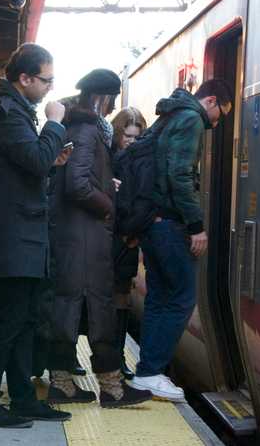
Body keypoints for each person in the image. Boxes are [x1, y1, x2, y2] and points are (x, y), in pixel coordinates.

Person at [0, 43, 73, 428]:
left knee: (26, 318)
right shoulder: (5, 112)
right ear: (25, 78)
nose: (50, 87)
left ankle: (23, 398)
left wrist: (50, 157)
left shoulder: (10, 110)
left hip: (22, 231)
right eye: (47, 79)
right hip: (12, 234)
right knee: (8, 319)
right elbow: (33, 159)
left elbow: (31, 165)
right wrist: (54, 124)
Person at [47, 69, 152, 408]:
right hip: (85, 234)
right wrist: (107, 203)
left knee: (68, 305)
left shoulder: (77, 126)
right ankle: (112, 387)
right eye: (111, 100)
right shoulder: (88, 128)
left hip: (75, 233)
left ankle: (62, 383)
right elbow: (77, 184)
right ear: (104, 97)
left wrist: (104, 186)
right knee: (100, 307)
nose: (110, 109)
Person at [130, 80, 232, 401]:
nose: (215, 124)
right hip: (172, 225)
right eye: (218, 116)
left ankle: (147, 370)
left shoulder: (169, 114)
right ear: (211, 100)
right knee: (182, 298)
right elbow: (180, 174)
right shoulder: (190, 118)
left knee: (160, 297)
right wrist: (196, 225)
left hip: (152, 222)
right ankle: (150, 372)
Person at [110, 107, 147, 380]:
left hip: (128, 239)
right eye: (127, 135)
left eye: (136, 137)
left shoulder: (139, 162)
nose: (130, 141)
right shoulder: (105, 158)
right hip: (107, 237)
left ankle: (118, 356)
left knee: (121, 299)